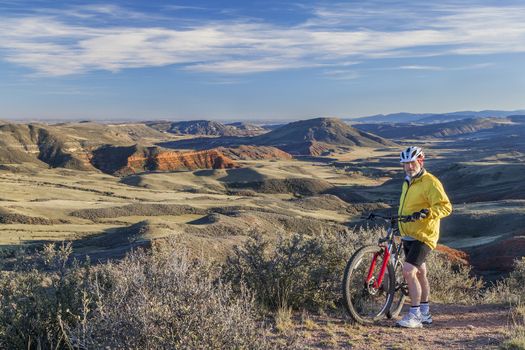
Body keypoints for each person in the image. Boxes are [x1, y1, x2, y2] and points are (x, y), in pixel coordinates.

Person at [396, 146, 452, 328]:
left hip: (424, 235)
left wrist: (427, 212)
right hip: (408, 234)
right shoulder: (407, 181)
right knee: (420, 273)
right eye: (406, 164)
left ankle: (414, 316)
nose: (409, 167)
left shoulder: (430, 182)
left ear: (420, 162)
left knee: (408, 272)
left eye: (412, 163)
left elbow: (445, 207)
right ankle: (426, 314)